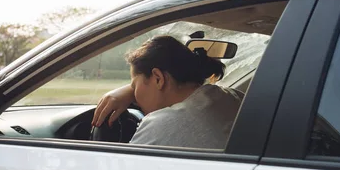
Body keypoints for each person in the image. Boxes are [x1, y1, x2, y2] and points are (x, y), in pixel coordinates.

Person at [92, 35, 244, 150]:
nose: (134, 97)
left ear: (158, 78)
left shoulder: (163, 124)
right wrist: (133, 88)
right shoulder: (234, 97)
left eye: (134, 86)